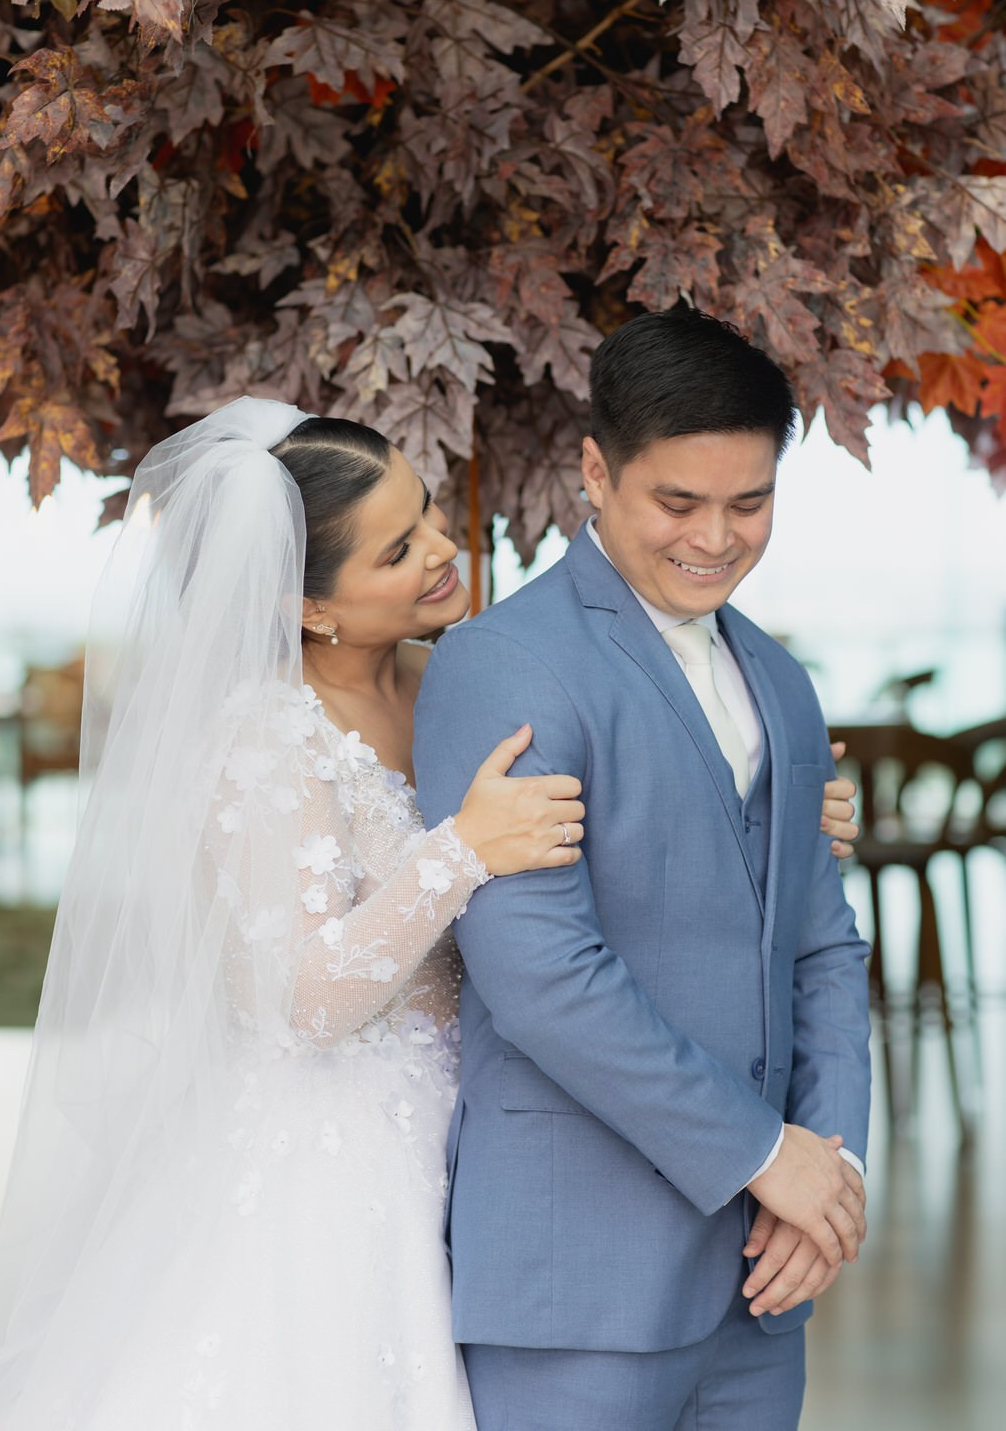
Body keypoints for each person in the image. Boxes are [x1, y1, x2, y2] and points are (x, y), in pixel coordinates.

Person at [0, 394, 859, 1431]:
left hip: (491, 1126)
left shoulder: (460, 676)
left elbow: (637, 809)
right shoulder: (259, 743)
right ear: (307, 607)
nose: (437, 551)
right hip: (344, 1153)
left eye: (424, 514)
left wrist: (783, 808)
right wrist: (457, 852)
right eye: (394, 552)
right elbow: (301, 997)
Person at [414, 308, 872, 1431]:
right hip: (580, 1275)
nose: (714, 536)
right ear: (593, 470)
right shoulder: (504, 663)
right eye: (677, 502)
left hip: (760, 1280)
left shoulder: (779, 676)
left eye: (748, 502)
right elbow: (541, 975)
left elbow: (819, 943)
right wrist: (764, 1154)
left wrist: (827, 1173)